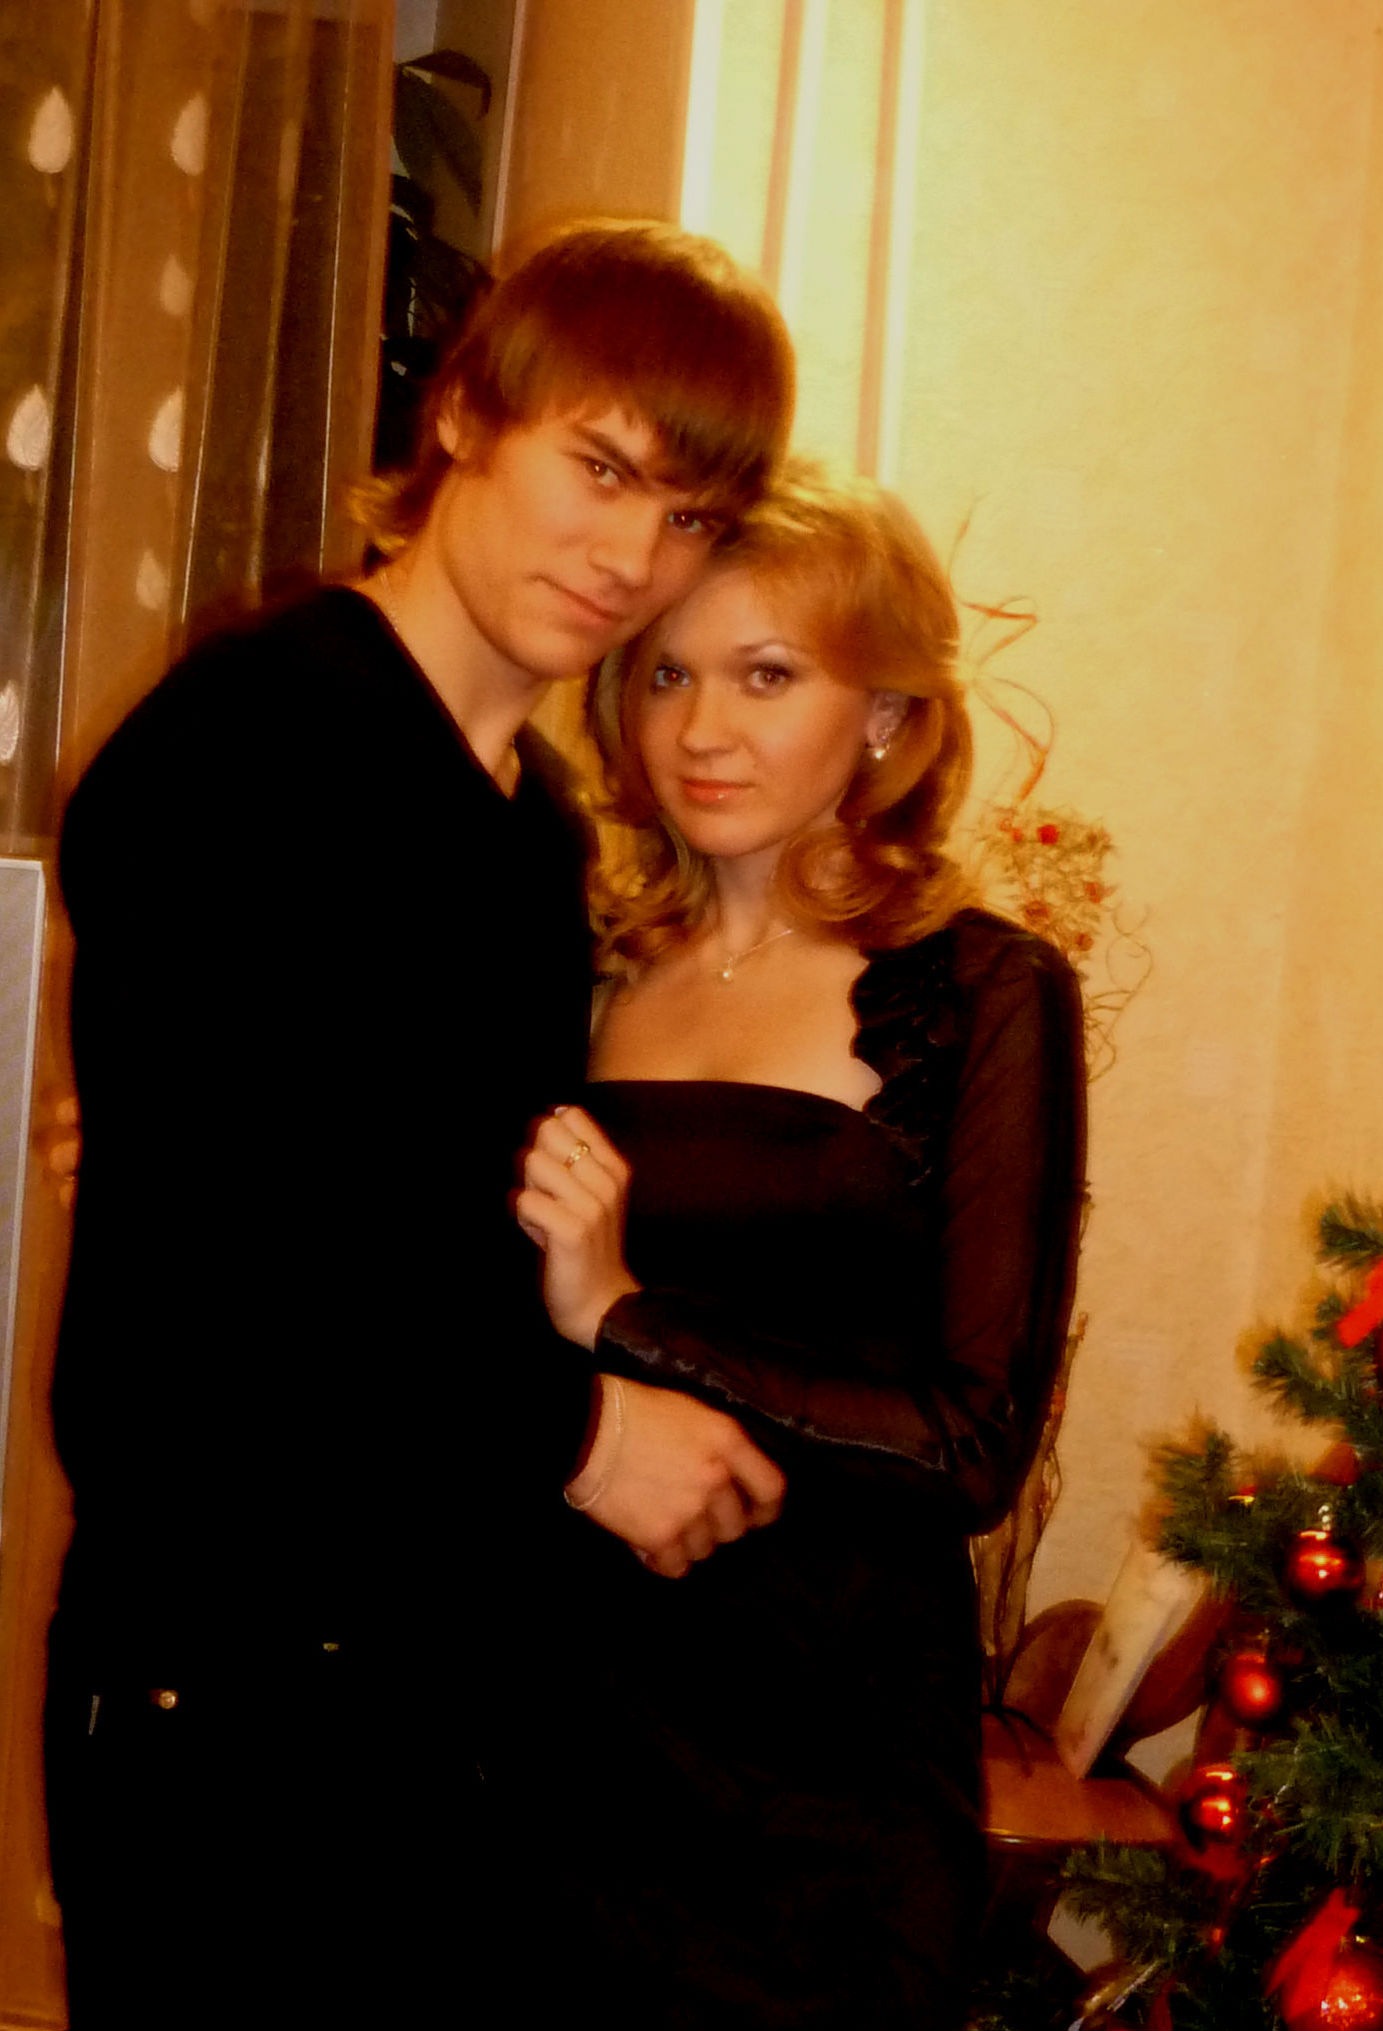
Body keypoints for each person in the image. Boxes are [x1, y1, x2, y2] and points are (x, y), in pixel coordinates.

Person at [44, 220, 794, 2029]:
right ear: (463, 413)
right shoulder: (262, 739)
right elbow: (230, 1292)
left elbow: (400, 1213)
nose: (630, 558)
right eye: (598, 469)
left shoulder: (530, 827)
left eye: (687, 517)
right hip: (236, 1701)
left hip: (423, 1699)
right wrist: (582, 1434)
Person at [516, 466, 1088, 2028]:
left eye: (768, 676)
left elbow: (970, 1445)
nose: (703, 730)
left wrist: (629, 1317)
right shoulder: (571, 972)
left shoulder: (980, 992)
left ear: (887, 712)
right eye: (667, 675)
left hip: (825, 1765)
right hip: (558, 1726)